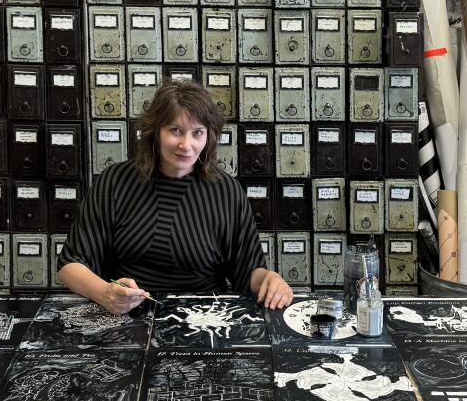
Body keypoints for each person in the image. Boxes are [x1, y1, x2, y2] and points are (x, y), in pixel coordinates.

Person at [56, 80, 294, 315]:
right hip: (126, 318)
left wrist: (270, 278)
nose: (186, 144)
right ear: (156, 132)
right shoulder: (116, 181)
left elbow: (248, 270)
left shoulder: (226, 192)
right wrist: (105, 293)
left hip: (203, 320)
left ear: (208, 137)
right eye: (175, 130)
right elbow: (70, 264)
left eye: (197, 132)